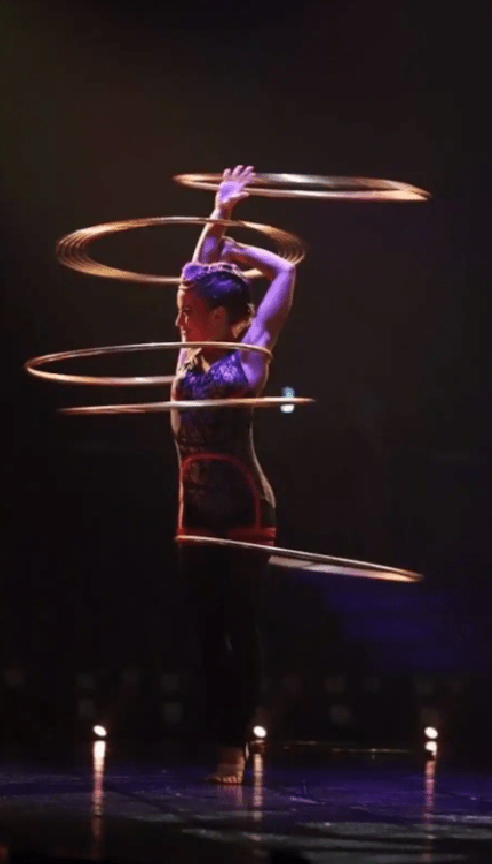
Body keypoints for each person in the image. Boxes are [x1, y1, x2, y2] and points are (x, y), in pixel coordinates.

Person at [171, 166, 296, 783]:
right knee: (200, 635)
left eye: (190, 311)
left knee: (236, 634)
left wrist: (243, 248)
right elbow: (195, 271)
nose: (180, 319)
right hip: (195, 516)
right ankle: (216, 734)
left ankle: (234, 743)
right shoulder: (186, 353)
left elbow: (288, 273)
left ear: (221, 317)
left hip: (244, 515)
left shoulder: (249, 364)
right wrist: (218, 214)